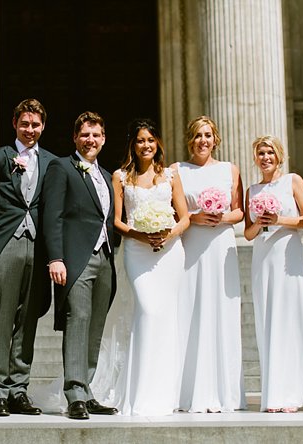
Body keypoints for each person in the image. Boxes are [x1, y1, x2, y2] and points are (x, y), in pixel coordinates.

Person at [0, 99, 57, 416]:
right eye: (25, 124)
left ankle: (18, 389)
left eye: (35, 124)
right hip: (5, 245)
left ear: (43, 126)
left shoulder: (52, 162)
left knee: (28, 321)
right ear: (15, 124)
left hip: (38, 249)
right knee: (1, 319)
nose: (30, 130)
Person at [244, 135, 303, 413]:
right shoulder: (252, 190)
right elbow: (247, 233)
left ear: (279, 155)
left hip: (287, 255)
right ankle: (276, 389)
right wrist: (259, 222)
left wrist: (279, 219)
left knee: (292, 316)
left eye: (270, 152)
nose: (265, 157)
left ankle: (295, 390)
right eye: (260, 153)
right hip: (263, 257)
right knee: (268, 318)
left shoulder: (292, 180)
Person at [110, 119, 189, 415]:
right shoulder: (121, 177)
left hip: (169, 253)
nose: (146, 145)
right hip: (137, 251)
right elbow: (118, 221)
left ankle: (165, 390)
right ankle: (140, 389)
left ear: (158, 144)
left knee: (166, 317)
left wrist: (167, 234)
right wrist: (142, 234)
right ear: (133, 144)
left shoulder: (170, 175)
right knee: (148, 310)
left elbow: (184, 218)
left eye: (151, 140)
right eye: (141, 140)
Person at [42, 111, 118, 420]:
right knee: (78, 320)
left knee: (95, 326)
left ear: (103, 139)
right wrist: (56, 257)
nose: (91, 140)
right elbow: (53, 215)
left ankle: (87, 390)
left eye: (96, 135)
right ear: (75, 137)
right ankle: (74, 394)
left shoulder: (107, 175)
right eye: (85, 134)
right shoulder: (62, 167)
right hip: (76, 259)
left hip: (105, 258)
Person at [174, 115, 246, 413]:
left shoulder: (231, 169)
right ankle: (188, 391)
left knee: (222, 310)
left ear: (215, 138)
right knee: (190, 309)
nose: (202, 140)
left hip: (221, 245)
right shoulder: (177, 171)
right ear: (189, 140)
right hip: (192, 245)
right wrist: (195, 218)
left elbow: (240, 211)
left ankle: (225, 392)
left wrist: (219, 217)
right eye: (196, 136)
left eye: (207, 135)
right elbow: (176, 211)